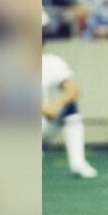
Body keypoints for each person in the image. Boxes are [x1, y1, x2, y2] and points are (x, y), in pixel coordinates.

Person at [42, 50, 98, 178]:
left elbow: (73, 90)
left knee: (70, 107)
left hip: (42, 123)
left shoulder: (51, 62)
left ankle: (78, 164)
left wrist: (57, 105)